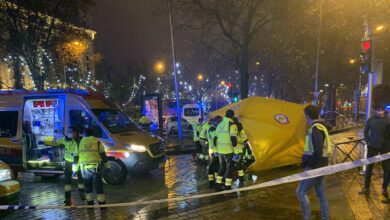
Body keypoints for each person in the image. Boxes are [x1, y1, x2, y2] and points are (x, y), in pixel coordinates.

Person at [296, 105, 329, 220]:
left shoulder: (315, 129)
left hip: (315, 166)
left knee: (301, 192)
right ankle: (325, 218)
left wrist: (310, 165)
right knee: (320, 192)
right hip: (322, 164)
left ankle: (307, 218)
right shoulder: (322, 127)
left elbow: (318, 150)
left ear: (307, 115)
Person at [46, 126, 85, 205]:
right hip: (68, 162)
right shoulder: (65, 139)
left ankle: (82, 194)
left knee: (80, 179)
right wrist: (46, 140)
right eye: (69, 131)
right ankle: (67, 198)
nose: (69, 133)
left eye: (71, 131)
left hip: (78, 162)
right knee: (67, 181)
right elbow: (55, 143)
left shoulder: (81, 140)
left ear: (76, 132)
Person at [73, 128, 110, 208]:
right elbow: (103, 155)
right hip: (96, 169)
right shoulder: (97, 142)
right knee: (98, 187)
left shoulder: (79, 143)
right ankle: (102, 205)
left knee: (87, 187)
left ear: (84, 134)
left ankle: (90, 205)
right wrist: (108, 167)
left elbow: (76, 159)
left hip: (84, 169)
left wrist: (75, 170)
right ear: (92, 133)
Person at [359, 105, 389, 198]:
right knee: (369, 167)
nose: (380, 112)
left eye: (382, 110)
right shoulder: (371, 120)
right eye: (378, 110)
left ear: (384, 111)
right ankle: (366, 187)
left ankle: (384, 188)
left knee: (387, 169)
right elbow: (366, 131)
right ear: (375, 110)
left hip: (385, 147)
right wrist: (368, 141)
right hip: (373, 147)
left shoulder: (388, 120)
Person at [214, 109, 238, 191]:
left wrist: (216, 149)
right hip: (229, 151)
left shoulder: (220, 124)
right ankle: (227, 186)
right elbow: (233, 138)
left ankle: (218, 184)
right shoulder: (232, 125)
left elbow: (215, 138)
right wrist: (236, 150)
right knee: (229, 168)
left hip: (220, 151)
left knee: (222, 167)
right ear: (232, 116)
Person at [232, 117, 248, 187]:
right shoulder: (241, 129)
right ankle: (241, 178)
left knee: (237, 164)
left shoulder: (232, 128)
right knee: (238, 163)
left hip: (235, 150)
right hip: (239, 150)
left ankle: (241, 178)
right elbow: (245, 139)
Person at [207, 116, 222, 188]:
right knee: (212, 166)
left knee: (216, 166)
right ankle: (211, 182)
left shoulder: (213, 128)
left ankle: (215, 181)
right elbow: (215, 138)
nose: (219, 123)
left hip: (214, 150)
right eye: (218, 121)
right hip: (213, 150)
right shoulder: (212, 129)